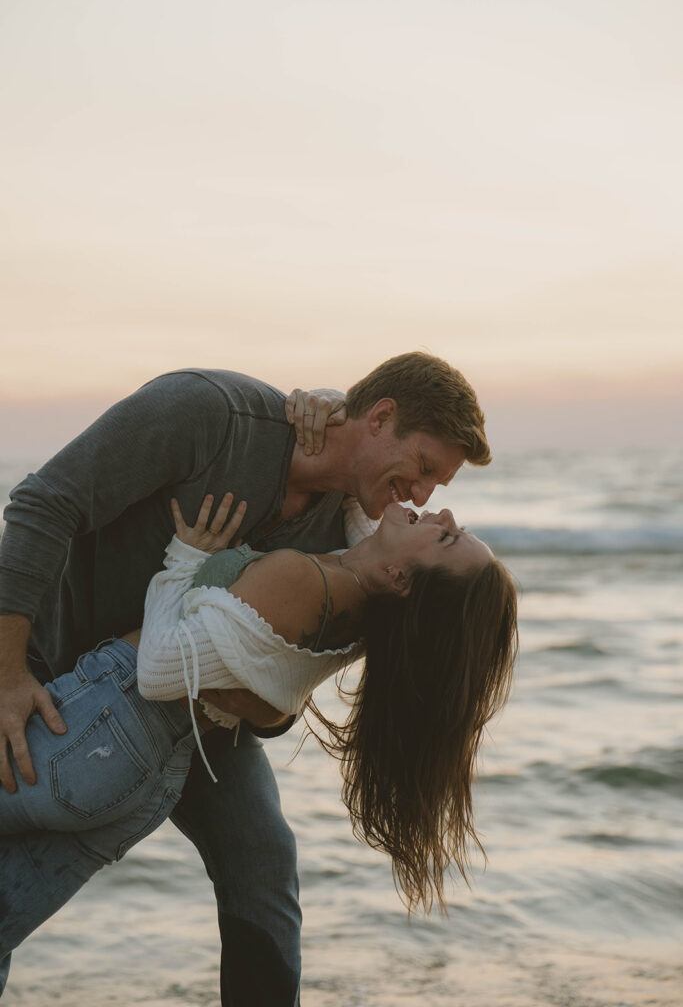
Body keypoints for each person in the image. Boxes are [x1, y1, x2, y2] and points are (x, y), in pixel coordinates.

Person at [0, 352, 492, 1005]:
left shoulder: (348, 529)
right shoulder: (208, 416)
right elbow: (43, 505)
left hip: (179, 719)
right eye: (424, 468)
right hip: (55, 665)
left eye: (437, 487)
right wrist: (7, 671)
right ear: (379, 418)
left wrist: (269, 713)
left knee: (262, 859)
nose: (423, 496)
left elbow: (279, 664)